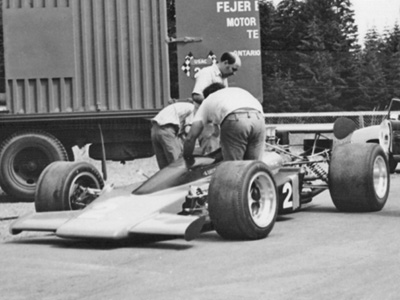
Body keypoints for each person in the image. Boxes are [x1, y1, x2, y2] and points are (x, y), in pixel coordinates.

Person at [183, 83, 265, 164]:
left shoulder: (208, 100)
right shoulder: (236, 91)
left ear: (206, 97)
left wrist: (186, 159)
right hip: (259, 119)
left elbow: (191, 137)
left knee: (233, 166)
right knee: (253, 166)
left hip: (235, 118)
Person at [191, 52, 242, 154]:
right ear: (226, 63)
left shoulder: (223, 77)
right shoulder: (207, 73)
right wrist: (214, 105)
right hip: (207, 123)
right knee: (211, 154)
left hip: (216, 123)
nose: (234, 73)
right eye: (233, 69)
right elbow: (196, 96)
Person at [151, 102, 194, 169]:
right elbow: (187, 130)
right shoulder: (193, 108)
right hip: (166, 130)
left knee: (164, 167)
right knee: (177, 165)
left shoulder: (182, 106)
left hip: (154, 129)